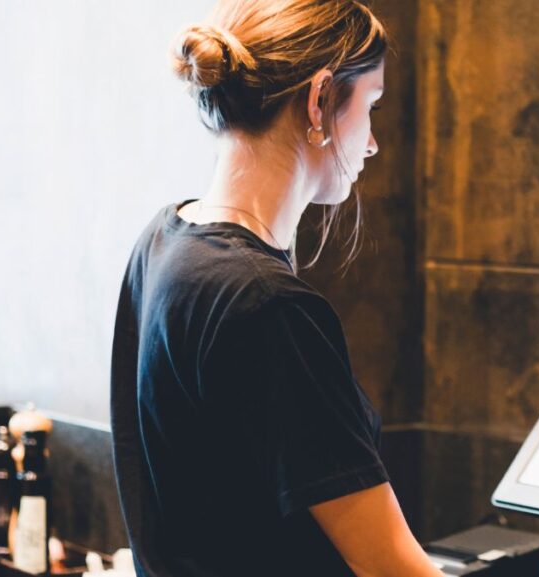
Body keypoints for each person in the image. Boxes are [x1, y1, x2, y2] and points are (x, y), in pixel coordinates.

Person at [109, 1, 443, 576]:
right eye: (372, 106)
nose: (372, 144)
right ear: (320, 101)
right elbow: (391, 567)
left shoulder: (163, 242)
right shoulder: (266, 305)